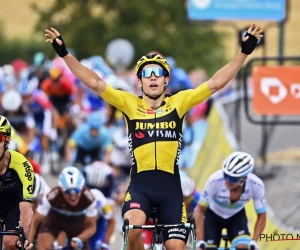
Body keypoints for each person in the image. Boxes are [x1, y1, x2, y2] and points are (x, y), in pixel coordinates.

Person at [45, 24, 263, 250]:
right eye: (146, 74)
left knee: (176, 247)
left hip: (170, 189)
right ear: (139, 82)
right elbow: (95, 82)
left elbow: (216, 83)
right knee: (132, 230)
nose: (152, 78)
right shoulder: (129, 104)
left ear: (166, 80)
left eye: (157, 73)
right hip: (141, 186)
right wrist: (65, 55)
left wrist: (244, 52)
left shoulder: (179, 102)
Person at [193, 151, 266, 250]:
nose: (227, 180)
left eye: (232, 178)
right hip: (212, 216)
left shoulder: (256, 185)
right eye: (225, 175)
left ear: (244, 179)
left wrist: (254, 241)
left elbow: (261, 215)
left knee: (243, 247)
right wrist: (200, 241)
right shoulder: (214, 181)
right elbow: (199, 210)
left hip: (236, 216)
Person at [29, 166, 97, 250]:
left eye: (77, 190)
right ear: (61, 190)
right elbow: (35, 221)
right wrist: (27, 245)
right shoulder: (53, 195)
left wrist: (80, 238)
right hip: (55, 219)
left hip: (77, 221)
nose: (73, 195)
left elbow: (92, 227)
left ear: (82, 188)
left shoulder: (88, 198)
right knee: (43, 246)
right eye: (68, 191)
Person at [0, 115, 34, 250]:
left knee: (12, 243)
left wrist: (23, 237)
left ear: (7, 139)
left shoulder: (22, 165)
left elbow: (26, 209)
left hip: (13, 205)